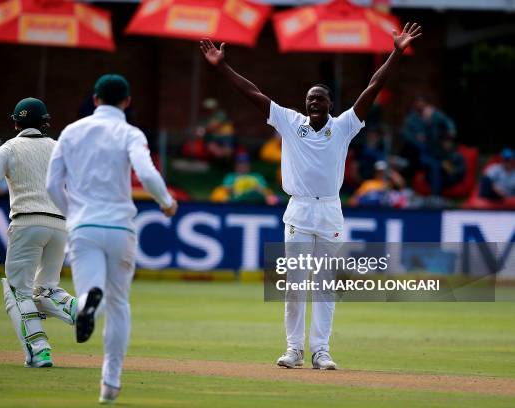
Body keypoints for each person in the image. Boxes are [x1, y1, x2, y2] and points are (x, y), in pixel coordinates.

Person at [200, 22, 422, 370]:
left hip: (330, 212)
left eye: (319, 99)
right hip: (299, 212)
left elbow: (374, 86)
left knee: (324, 285)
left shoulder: (345, 125)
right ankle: (294, 350)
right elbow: (253, 93)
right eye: (309, 100)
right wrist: (223, 66)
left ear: (330, 103)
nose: (313, 103)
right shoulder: (290, 122)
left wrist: (396, 52)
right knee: (294, 285)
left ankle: (321, 351)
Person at [46, 74, 177, 403]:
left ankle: (90, 303)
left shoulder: (71, 132)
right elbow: (146, 174)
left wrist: (72, 213)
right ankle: (110, 382)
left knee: (91, 292)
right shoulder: (130, 132)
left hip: (83, 226)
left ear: (95, 99)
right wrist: (166, 202)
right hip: (120, 227)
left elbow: (51, 185)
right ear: (127, 102)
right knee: (119, 304)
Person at [0, 97, 77, 369]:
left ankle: (39, 350)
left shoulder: (8, 147)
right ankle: (75, 309)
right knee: (44, 290)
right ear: (45, 122)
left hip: (27, 223)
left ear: (15, 123)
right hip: (60, 225)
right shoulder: (59, 149)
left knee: (17, 292)